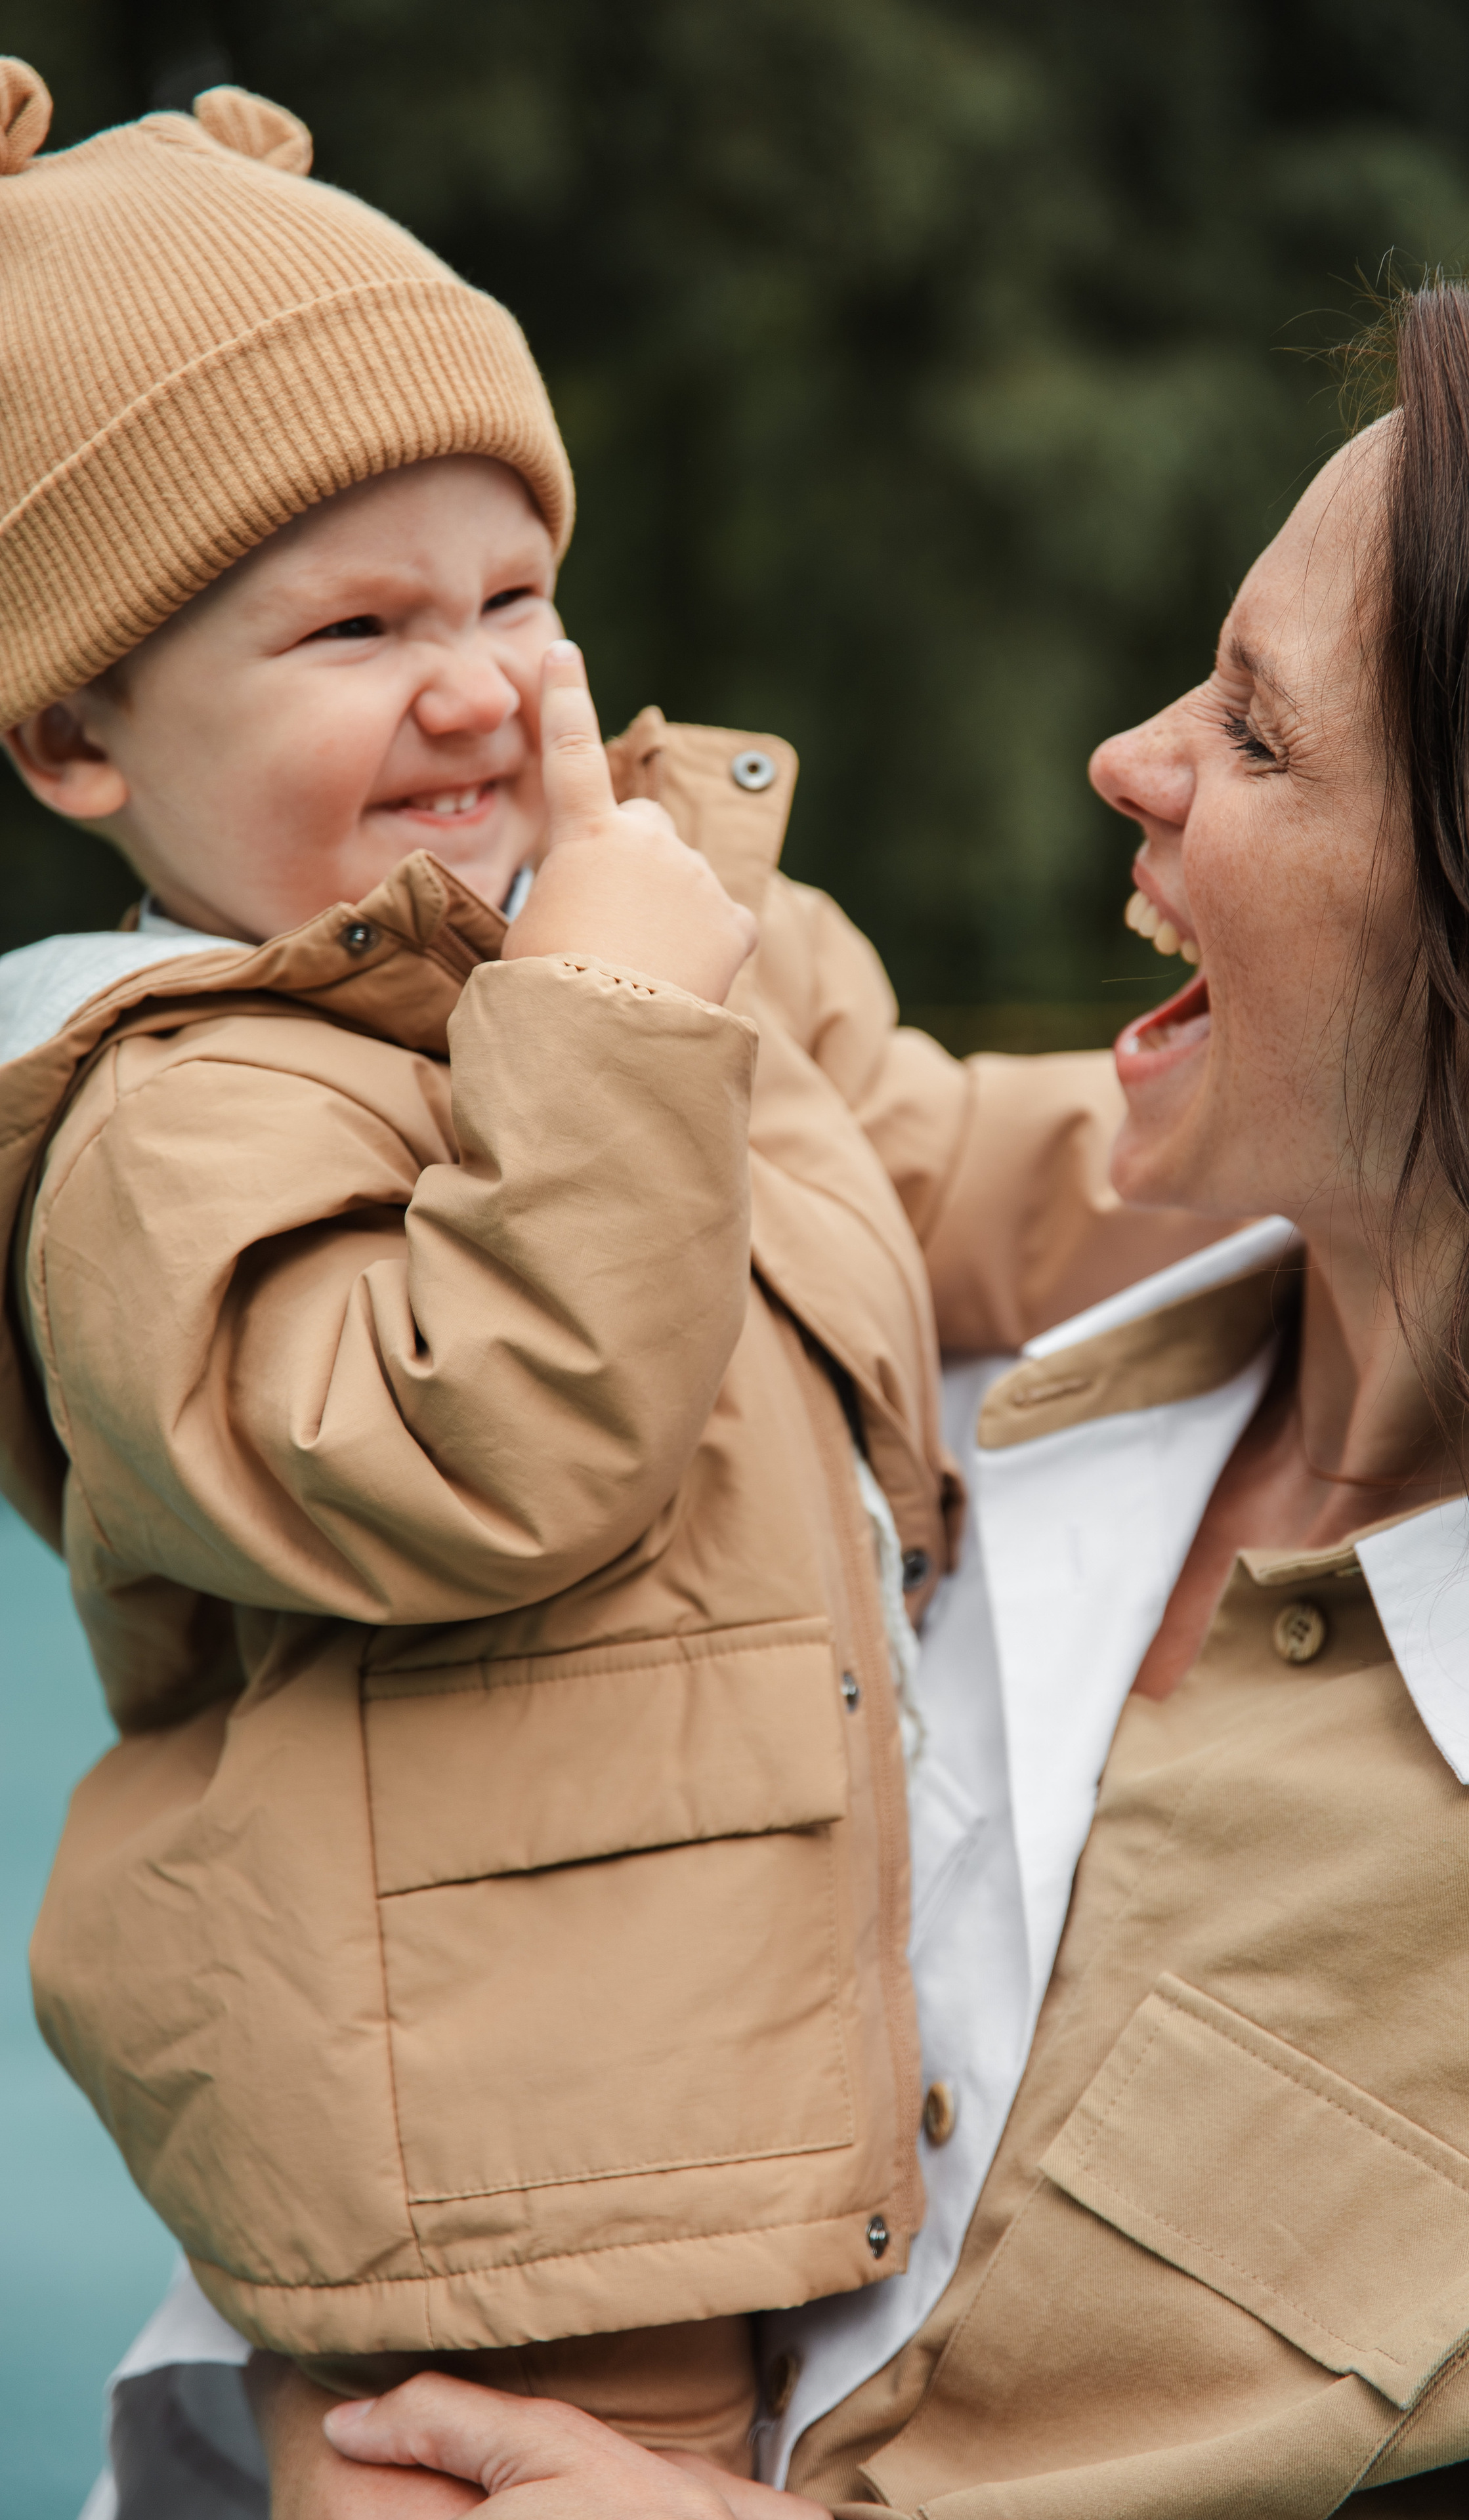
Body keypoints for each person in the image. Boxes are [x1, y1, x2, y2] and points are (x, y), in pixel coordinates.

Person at [261, 263, 1469, 2515]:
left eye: (1255, 724)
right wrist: (326, 2427)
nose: (1127, 758)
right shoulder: (830, 1375)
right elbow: (403, 2009)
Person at [0, 60, 1216, 2519]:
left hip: (773, 2080)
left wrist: (1323, 1151)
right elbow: (462, 1454)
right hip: (528, 2209)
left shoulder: (638, 925)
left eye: (513, 597)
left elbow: (950, 1175)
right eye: (352, 629)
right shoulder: (165, 1119)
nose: (475, 688)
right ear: (78, 736)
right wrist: (629, 1012)